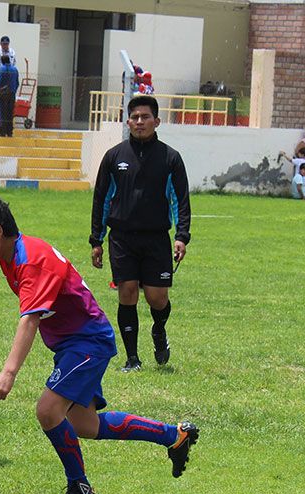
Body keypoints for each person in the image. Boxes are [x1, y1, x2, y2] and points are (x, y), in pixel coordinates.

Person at [0, 192, 199, 494]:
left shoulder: (30, 260)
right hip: (75, 343)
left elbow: (29, 320)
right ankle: (173, 435)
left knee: (47, 410)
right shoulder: (13, 255)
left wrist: (8, 373)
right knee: (85, 425)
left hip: (88, 341)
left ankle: (79, 488)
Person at [90, 95, 191, 373]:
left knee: (157, 298)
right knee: (128, 293)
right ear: (128, 122)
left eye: (145, 117)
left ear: (156, 121)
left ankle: (159, 330)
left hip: (157, 238)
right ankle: (132, 358)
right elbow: (101, 199)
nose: (139, 122)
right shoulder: (114, 157)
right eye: (134, 117)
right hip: (122, 238)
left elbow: (180, 200)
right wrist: (96, 240)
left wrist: (181, 236)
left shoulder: (171, 158)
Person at [0, 55, 19, 137]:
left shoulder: (1, 69)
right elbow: (17, 83)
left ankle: (2, 132)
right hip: (11, 94)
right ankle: (9, 132)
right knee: (10, 113)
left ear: (2, 61)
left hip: (2, 94)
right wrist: (13, 91)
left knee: (1, 113)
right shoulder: (15, 70)